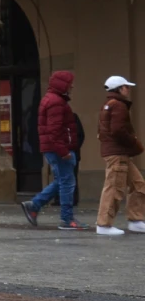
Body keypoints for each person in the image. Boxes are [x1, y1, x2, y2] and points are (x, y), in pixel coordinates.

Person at [20, 71, 86, 230]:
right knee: (67, 183)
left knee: (63, 181)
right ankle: (66, 219)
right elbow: (54, 131)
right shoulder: (56, 102)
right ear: (63, 84)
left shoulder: (53, 100)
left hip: (54, 148)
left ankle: (34, 205)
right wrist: (64, 152)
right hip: (58, 149)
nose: (72, 86)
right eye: (70, 83)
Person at [95, 75, 145, 236]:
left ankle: (136, 220)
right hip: (118, 153)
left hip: (116, 152)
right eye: (126, 87)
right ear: (119, 88)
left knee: (139, 184)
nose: (128, 89)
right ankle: (104, 224)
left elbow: (104, 130)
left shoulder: (108, 104)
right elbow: (117, 130)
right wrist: (134, 143)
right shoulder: (118, 105)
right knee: (114, 188)